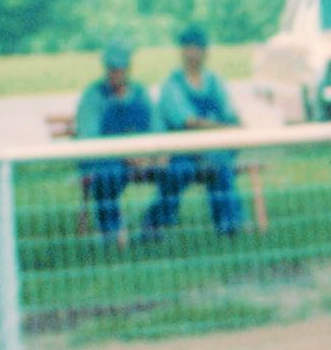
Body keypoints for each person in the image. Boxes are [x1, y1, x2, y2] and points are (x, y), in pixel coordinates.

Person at [146, 25, 245, 238]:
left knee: (220, 166)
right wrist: (224, 128)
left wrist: (235, 124)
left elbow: (228, 113)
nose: (192, 54)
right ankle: (155, 225)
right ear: (181, 51)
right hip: (179, 154)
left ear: (205, 52)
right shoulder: (172, 85)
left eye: (197, 48)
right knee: (179, 173)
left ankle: (229, 225)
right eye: (187, 48)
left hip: (211, 151)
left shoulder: (215, 82)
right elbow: (188, 121)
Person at [73, 44, 160, 241]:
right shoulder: (93, 96)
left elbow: (155, 127)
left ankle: (154, 225)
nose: (117, 73)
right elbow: (89, 137)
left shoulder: (140, 93)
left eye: (121, 68)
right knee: (107, 176)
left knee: (178, 169)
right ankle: (111, 232)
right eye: (112, 68)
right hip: (104, 158)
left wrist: (148, 154)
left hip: (142, 156)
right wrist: (124, 155)